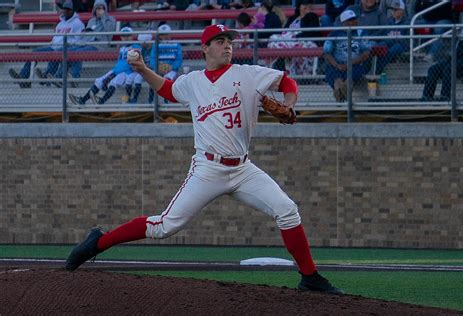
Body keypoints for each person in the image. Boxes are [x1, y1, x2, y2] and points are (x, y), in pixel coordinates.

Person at [65, 24, 344, 295]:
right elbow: (167, 90)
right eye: (220, 41)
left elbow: (287, 82)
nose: (227, 46)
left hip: (243, 169)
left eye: (230, 41)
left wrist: (290, 104)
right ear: (205, 49)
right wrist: (142, 69)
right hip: (208, 169)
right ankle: (97, 243)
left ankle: (310, 278)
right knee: (163, 227)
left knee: (287, 210)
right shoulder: (193, 82)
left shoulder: (248, 74)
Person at [37, 0, 117, 88]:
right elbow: (87, 36)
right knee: (66, 51)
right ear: (94, 9)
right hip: (86, 44)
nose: (100, 10)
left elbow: (109, 30)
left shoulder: (110, 19)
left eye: (102, 8)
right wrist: (85, 34)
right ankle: (58, 77)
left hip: (98, 46)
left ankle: (73, 78)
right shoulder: (92, 21)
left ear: (105, 9)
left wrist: (103, 17)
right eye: (98, 8)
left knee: (77, 53)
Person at [8, 1, 85, 88]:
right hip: (54, 47)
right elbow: (55, 38)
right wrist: (52, 44)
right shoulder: (60, 24)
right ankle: (24, 78)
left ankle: (46, 77)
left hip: (66, 48)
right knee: (34, 53)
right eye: (65, 9)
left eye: (68, 10)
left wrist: (66, 44)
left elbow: (79, 41)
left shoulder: (78, 23)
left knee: (55, 54)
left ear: (72, 10)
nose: (66, 11)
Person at [68, 27, 141, 105]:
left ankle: (101, 102)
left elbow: (131, 64)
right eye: (123, 36)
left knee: (113, 82)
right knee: (99, 81)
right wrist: (113, 73)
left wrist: (113, 74)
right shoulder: (122, 48)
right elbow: (119, 63)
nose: (125, 38)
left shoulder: (136, 47)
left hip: (127, 73)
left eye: (128, 36)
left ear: (132, 36)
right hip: (116, 71)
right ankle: (82, 100)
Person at [421, 11, 463, 101]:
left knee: (449, 68)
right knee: (433, 69)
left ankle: (445, 97)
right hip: (456, 59)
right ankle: (426, 98)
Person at [323, 10, 372, 102]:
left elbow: (366, 53)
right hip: (336, 65)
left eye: (354, 19)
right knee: (337, 81)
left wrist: (349, 63)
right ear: (343, 23)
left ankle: (342, 96)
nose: (353, 22)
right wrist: (337, 65)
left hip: (355, 64)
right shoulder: (334, 34)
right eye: (350, 20)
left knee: (349, 81)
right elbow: (326, 53)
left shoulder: (361, 32)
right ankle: (341, 92)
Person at [148, 24, 183, 104]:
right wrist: (157, 67)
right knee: (152, 78)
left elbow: (179, 59)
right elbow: (152, 58)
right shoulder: (156, 45)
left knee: (168, 79)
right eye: (162, 34)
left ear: (170, 34)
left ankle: (166, 101)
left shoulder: (176, 44)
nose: (165, 36)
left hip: (171, 69)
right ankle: (150, 101)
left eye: (166, 34)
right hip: (159, 68)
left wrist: (172, 67)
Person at [375, 0, 409, 74]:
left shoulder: (408, 23)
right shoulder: (388, 21)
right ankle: (372, 69)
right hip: (389, 44)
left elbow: (407, 42)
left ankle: (377, 71)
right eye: (392, 9)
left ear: (402, 11)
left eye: (396, 10)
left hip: (402, 46)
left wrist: (393, 40)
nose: (393, 11)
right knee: (380, 45)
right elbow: (381, 34)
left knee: (396, 47)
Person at [126, 33, 153, 104]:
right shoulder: (143, 49)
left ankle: (149, 100)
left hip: (152, 70)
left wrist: (146, 66)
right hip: (144, 69)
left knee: (141, 79)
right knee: (131, 78)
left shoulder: (154, 48)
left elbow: (154, 62)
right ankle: (131, 99)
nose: (140, 43)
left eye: (141, 42)